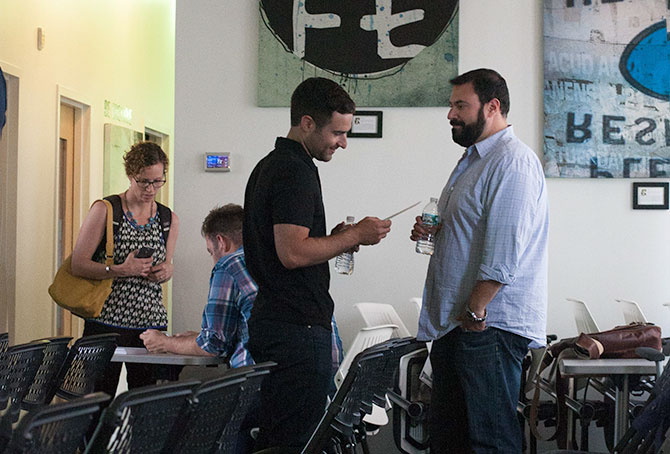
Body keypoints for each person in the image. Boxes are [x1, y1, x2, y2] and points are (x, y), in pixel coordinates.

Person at [243, 77, 392, 451]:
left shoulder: (272, 164)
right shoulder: (293, 170)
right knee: (297, 443)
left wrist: (337, 237)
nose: (343, 142)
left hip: (279, 321)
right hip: (296, 327)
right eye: (337, 132)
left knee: (283, 438)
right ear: (307, 123)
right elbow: (292, 253)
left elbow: (294, 247)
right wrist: (354, 235)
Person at [410, 68, 549, 453]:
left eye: (460, 105)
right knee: (449, 440)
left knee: (489, 442)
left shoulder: (512, 162)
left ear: (492, 107)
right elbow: (475, 232)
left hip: (486, 325)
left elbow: (505, 253)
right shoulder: (473, 161)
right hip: (462, 323)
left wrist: (475, 313)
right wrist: (436, 231)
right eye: (451, 105)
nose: (450, 114)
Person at [71, 141, 179, 396]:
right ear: (131, 175)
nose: (151, 189)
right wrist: (121, 269)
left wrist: (165, 272)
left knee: (146, 402)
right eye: (144, 181)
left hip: (150, 325)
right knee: (98, 401)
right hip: (105, 321)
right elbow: (78, 264)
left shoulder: (167, 218)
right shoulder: (107, 210)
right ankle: (99, 438)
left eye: (157, 181)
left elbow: (167, 265)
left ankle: (136, 438)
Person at [140, 204, 257, 369]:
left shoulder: (229, 266)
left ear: (221, 242)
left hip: (254, 377)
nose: (213, 261)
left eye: (211, 252)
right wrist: (197, 338)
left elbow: (213, 346)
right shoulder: (272, 260)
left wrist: (164, 342)